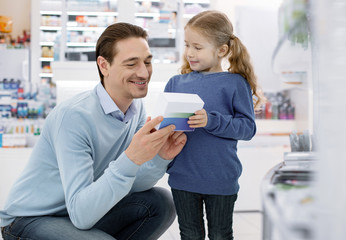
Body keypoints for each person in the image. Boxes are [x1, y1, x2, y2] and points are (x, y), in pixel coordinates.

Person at [0, 22, 187, 240]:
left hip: (76, 212)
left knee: (161, 203)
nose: (144, 72)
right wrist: (132, 157)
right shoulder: (75, 117)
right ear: (104, 66)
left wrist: (159, 158)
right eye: (131, 64)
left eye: (147, 62)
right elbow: (81, 215)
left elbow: (130, 185)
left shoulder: (136, 110)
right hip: (29, 220)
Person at [164, 10, 264, 240]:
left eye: (198, 47)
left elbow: (247, 129)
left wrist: (211, 121)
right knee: (189, 235)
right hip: (182, 178)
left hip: (221, 178)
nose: (189, 53)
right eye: (188, 45)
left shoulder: (234, 84)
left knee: (220, 235)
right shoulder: (176, 82)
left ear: (222, 50)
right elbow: (167, 128)